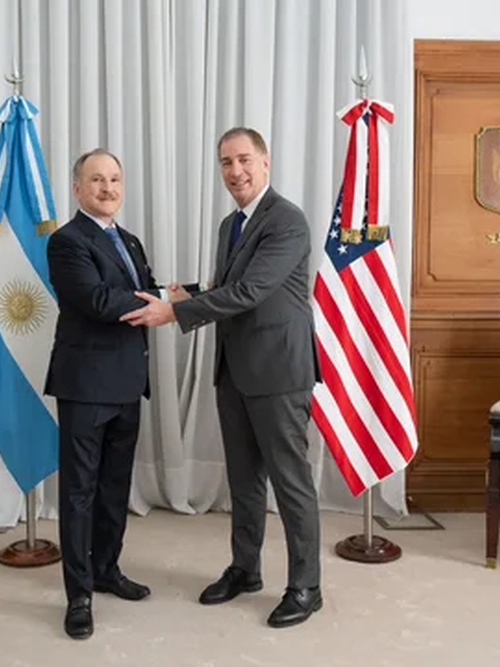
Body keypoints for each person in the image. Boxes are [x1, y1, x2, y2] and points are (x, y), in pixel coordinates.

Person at [120, 127, 322, 628]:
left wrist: (175, 315)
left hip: (277, 371)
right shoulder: (229, 225)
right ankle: (245, 569)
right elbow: (223, 287)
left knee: (290, 483)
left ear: (266, 162)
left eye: (244, 160)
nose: (236, 172)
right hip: (233, 369)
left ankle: (306, 586)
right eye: (226, 163)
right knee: (244, 481)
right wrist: (180, 294)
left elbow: (251, 290)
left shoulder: (287, 221)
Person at [44, 148, 182, 639]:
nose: (108, 188)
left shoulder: (129, 240)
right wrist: (163, 301)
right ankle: (78, 594)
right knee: (79, 492)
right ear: (78, 188)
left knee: (114, 487)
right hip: (85, 385)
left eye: (115, 179)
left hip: (127, 382)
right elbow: (98, 301)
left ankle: (106, 570)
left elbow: (142, 289)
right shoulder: (66, 241)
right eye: (97, 180)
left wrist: (179, 294)